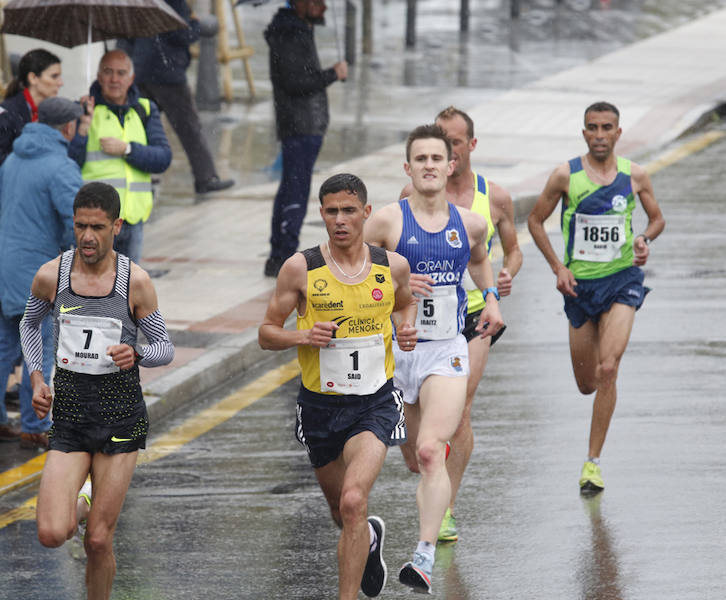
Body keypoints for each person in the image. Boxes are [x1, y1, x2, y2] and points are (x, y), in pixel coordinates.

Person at [258, 173, 417, 600]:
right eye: (332, 211)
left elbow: (404, 303)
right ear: (322, 214)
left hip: (375, 402)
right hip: (320, 408)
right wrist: (303, 336)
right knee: (339, 510)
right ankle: (366, 539)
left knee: (351, 501)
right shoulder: (302, 268)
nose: (340, 220)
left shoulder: (390, 266)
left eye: (349, 211)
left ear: (366, 212)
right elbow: (267, 333)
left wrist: (406, 328)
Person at [365, 124, 503, 593]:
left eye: (435, 159)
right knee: (412, 460)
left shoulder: (470, 223)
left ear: (450, 166)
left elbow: (481, 259)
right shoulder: (386, 222)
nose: (428, 166)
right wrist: (397, 286)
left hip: (446, 348)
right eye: (419, 159)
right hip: (395, 351)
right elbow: (354, 272)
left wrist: (491, 298)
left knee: (430, 450)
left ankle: (423, 555)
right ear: (408, 168)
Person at [20, 182, 175, 600]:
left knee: (98, 541)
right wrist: (36, 377)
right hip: (70, 417)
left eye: (97, 227)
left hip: (121, 419)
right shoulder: (52, 275)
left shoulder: (135, 282)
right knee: (53, 533)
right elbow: (29, 324)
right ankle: (84, 499)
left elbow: (165, 347)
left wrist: (137, 353)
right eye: (80, 226)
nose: (88, 237)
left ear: (116, 226)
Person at [527, 101, 665, 494]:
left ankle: (592, 463)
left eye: (607, 128)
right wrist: (558, 267)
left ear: (619, 132)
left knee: (609, 367)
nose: (600, 135)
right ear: (584, 132)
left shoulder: (634, 175)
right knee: (587, 382)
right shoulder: (565, 176)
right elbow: (535, 220)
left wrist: (643, 238)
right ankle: (593, 451)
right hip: (580, 287)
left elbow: (657, 218)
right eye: (593, 128)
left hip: (622, 280)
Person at [398, 107, 523, 542]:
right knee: (415, 450)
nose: (444, 151)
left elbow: (511, 251)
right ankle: (427, 466)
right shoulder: (408, 195)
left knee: (462, 406)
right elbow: (391, 255)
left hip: (471, 316)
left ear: (468, 147)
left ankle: (446, 505)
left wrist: (502, 280)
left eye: (453, 143)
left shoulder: (495, 198)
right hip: (420, 317)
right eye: (438, 143)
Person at [0, 97, 84, 450]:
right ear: (68, 127)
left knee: (4, 342)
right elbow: (79, 223)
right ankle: (34, 425)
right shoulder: (60, 166)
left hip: (4, 266)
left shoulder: (12, 159)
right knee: (38, 346)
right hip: (38, 270)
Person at [262, 0, 348, 277]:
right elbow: (296, 82)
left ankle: (280, 254)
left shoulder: (297, 28)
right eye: (317, 2)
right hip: (300, 125)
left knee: (292, 187)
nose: (323, 7)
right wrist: (333, 73)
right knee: (295, 189)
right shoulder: (290, 32)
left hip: (304, 124)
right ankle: (283, 256)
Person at [118, 0, 234, 196]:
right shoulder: (176, 2)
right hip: (167, 73)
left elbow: (128, 37)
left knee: (141, 126)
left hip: (141, 71)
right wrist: (195, 24)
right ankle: (205, 178)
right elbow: (182, 34)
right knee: (189, 128)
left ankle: (143, 175)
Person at [70, 49, 173, 264]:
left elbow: (163, 158)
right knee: (94, 290)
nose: (114, 79)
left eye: (121, 73)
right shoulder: (84, 109)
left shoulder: (145, 109)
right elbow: (70, 163)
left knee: (127, 292)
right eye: (108, 72)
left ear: (131, 78)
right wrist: (82, 131)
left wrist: (128, 150)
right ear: (98, 76)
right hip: (96, 221)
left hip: (133, 219)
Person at [0, 48, 71, 250]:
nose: (61, 82)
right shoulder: (8, 112)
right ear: (33, 78)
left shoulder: (52, 114)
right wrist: (27, 160)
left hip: (37, 208)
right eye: (54, 76)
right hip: (7, 206)